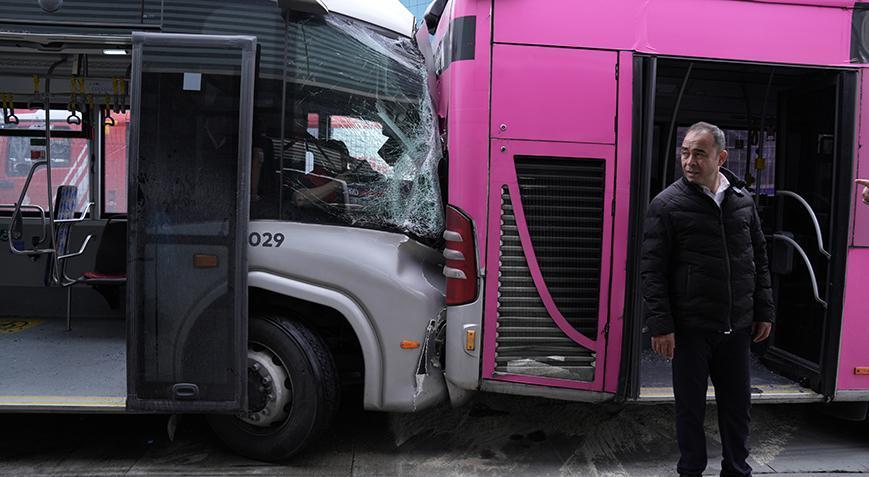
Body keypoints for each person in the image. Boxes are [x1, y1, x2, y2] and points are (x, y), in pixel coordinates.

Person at [641, 121, 775, 477]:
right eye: (685, 152)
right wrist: (661, 326)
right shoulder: (667, 205)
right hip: (690, 329)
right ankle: (691, 471)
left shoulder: (742, 202)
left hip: (737, 325)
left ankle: (736, 470)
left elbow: (758, 260)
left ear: (721, 157)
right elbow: (652, 271)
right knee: (690, 408)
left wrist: (764, 311)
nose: (689, 161)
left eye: (699, 153)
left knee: (737, 407)